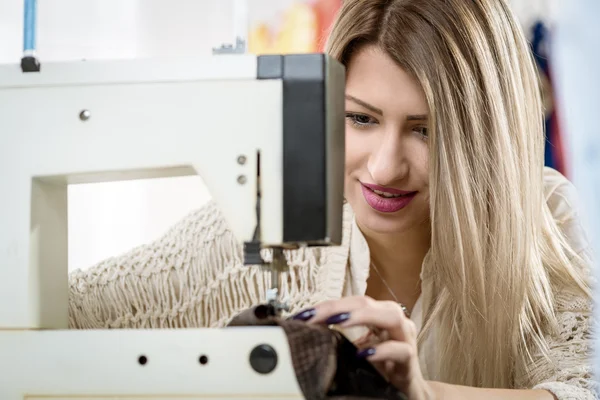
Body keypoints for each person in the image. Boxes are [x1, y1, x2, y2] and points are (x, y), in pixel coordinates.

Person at [68, 0, 595, 398]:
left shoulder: (544, 216)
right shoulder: (263, 223)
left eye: (426, 130)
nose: (385, 166)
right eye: (360, 118)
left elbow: (580, 387)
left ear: (483, 135)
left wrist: (421, 393)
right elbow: (71, 314)